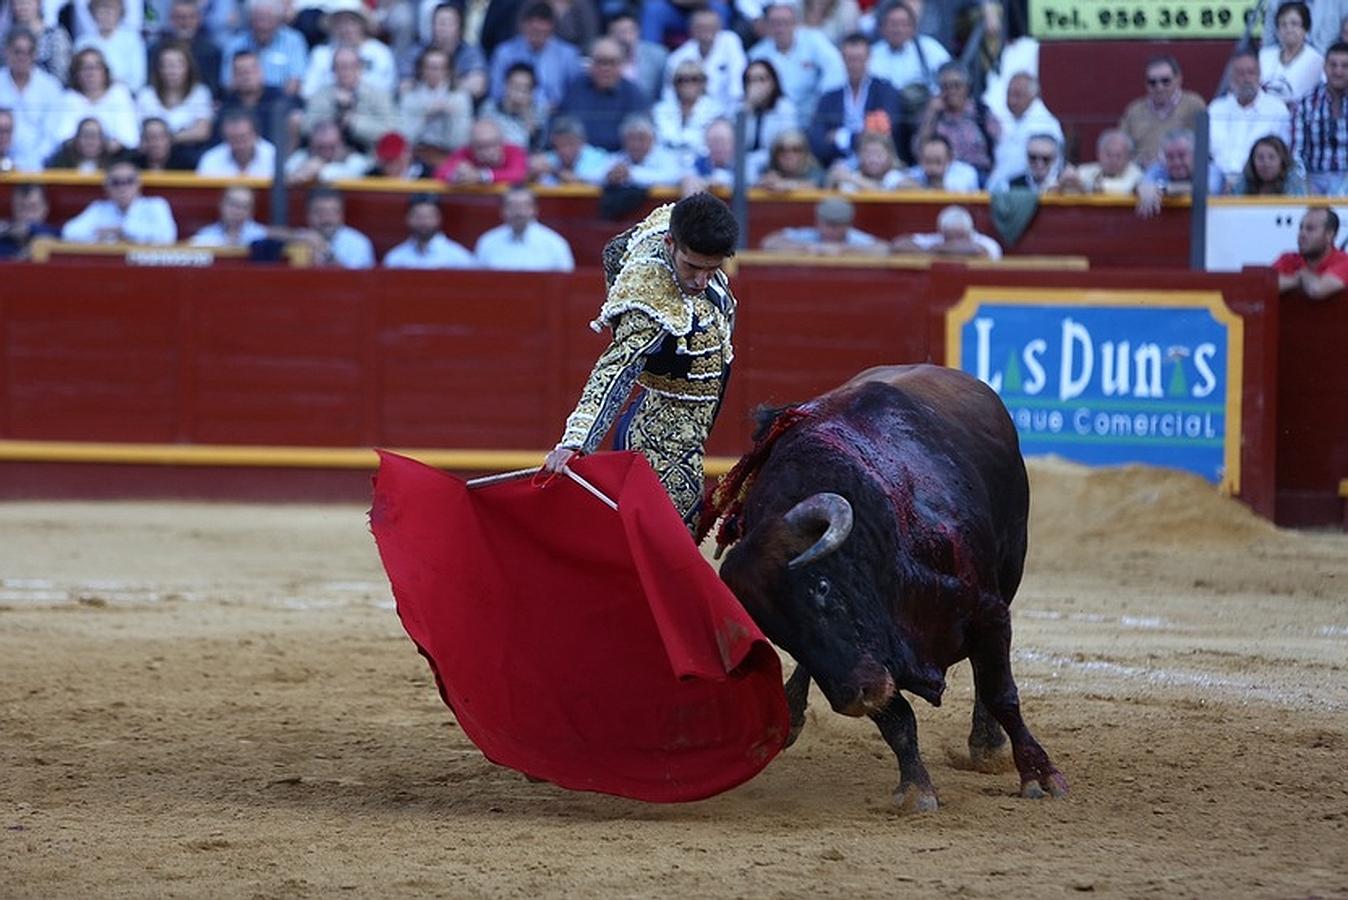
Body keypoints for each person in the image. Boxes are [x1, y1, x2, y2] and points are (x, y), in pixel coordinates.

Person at [541, 191, 740, 531]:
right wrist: (576, 442)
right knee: (670, 544)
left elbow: (618, 246)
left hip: (681, 428)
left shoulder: (679, 225)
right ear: (669, 243)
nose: (701, 281)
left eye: (713, 269)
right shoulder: (648, 301)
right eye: (691, 267)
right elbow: (614, 370)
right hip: (660, 438)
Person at [808, 31, 904, 168]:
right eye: (850, 59)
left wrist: (842, 137)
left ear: (869, 57)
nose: (855, 65)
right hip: (838, 164)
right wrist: (863, 133)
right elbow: (817, 141)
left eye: (859, 58)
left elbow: (885, 132)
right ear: (842, 59)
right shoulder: (829, 98)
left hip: (878, 165)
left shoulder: (885, 91)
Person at [747, 0, 844, 122]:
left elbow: (836, 68)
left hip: (813, 112)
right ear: (768, 26)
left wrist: (823, 98)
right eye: (775, 23)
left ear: (795, 24)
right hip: (775, 117)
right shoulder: (757, 54)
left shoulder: (814, 40)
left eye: (785, 23)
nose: (780, 28)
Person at [1209, 49, 1293, 190]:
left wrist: (1241, 182)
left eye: (1251, 72)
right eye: (1240, 73)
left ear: (1259, 75)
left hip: (1258, 178)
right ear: (1230, 78)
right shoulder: (1216, 109)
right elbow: (1207, 154)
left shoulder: (1277, 109)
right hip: (1220, 179)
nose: (1246, 79)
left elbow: (1282, 154)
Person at [555, 36, 650, 152]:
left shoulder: (633, 94)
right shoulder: (576, 87)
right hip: (577, 158)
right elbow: (560, 126)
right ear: (590, 64)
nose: (606, 68)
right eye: (600, 62)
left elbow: (640, 140)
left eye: (612, 63)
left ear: (621, 65)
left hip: (618, 160)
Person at [913, 60, 998, 184]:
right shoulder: (932, 114)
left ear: (967, 88)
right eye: (946, 86)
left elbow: (1000, 144)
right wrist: (931, 114)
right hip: (941, 173)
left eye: (957, 85)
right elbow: (918, 150)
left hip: (978, 173)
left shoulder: (981, 112)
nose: (951, 91)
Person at [304, 46, 399, 154]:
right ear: (333, 70)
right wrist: (337, 115)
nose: (346, 71)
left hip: (366, 155)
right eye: (340, 67)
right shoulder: (322, 94)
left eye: (351, 66)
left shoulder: (378, 95)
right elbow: (306, 127)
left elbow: (392, 132)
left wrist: (354, 123)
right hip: (325, 154)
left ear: (360, 68)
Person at [487, 1, 582, 111]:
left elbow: (576, 93)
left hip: (554, 116)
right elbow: (495, 92)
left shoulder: (568, 55)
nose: (538, 37)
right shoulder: (504, 53)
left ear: (552, 30)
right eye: (534, 31)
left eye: (544, 32)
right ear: (524, 26)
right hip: (513, 113)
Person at [1118, 55, 1206, 168]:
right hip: (1142, 174)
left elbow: (1204, 146)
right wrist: (1139, 161)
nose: (1159, 87)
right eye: (1152, 82)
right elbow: (1121, 148)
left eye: (1165, 81)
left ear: (1178, 79)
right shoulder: (1134, 110)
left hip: (1183, 173)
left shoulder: (1194, 105)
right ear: (1146, 84)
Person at [136, 40, 214, 166]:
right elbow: (140, 133)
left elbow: (202, 131)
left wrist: (164, 139)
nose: (172, 71)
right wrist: (180, 135)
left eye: (177, 65)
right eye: (166, 65)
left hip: (187, 156)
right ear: (158, 69)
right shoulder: (146, 95)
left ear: (188, 67)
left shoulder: (200, 92)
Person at [60, 161, 178, 244]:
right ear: (107, 188)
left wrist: (123, 230)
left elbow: (167, 236)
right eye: (116, 182)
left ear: (138, 184)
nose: (123, 187)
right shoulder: (99, 209)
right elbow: (69, 232)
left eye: (129, 181)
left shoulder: (155, 205)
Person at [301, 0, 397, 101]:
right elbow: (308, 91)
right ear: (333, 26)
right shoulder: (321, 54)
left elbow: (387, 88)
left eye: (352, 21)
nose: (346, 27)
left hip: (370, 111)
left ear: (361, 24)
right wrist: (335, 94)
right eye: (340, 22)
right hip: (328, 110)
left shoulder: (380, 53)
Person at [0, 26, 65, 171]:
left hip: (39, 165)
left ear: (35, 54)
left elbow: (52, 135)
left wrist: (31, 163)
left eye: (29, 52)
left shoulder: (50, 87)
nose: (23, 57)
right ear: (7, 52)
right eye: (17, 51)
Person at [662, 6, 744, 117]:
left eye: (710, 27)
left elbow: (737, 87)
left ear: (719, 28)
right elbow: (669, 95)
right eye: (700, 27)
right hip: (691, 114)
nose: (706, 31)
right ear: (691, 30)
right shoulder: (677, 58)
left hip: (727, 112)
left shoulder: (731, 42)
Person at [398, 3, 487, 104]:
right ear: (432, 26)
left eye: (449, 23)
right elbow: (404, 87)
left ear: (460, 26)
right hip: (421, 107)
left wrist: (439, 84)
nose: (444, 29)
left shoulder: (470, 52)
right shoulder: (416, 51)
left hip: (456, 108)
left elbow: (477, 87)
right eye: (441, 23)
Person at [987, 71, 1063, 190]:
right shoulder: (1018, 119)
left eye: (1017, 95)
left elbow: (1028, 167)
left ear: (1033, 96)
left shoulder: (1041, 122)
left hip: (1023, 193)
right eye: (1009, 94)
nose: (1011, 101)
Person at [215, 49, 302, 151]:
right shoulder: (227, 105)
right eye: (240, 72)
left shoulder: (279, 97)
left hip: (279, 158)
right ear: (233, 76)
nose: (246, 76)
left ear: (261, 71)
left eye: (251, 70)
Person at [473, 185, 575, 270]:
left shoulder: (555, 244)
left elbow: (566, 286)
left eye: (524, 206)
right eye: (512, 206)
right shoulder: (487, 242)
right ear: (502, 211)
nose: (519, 212)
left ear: (535, 210)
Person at [399, 46, 473, 164]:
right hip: (415, 155)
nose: (433, 72)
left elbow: (461, 142)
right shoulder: (410, 97)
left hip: (448, 155)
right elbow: (404, 138)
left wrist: (450, 116)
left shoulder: (460, 98)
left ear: (448, 70)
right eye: (429, 67)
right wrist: (425, 116)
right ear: (421, 69)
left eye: (439, 68)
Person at [57, 47, 139, 153]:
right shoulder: (69, 98)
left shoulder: (119, 93)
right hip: (76, 161)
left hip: (114, 158)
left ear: (105, 71)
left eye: (96, 67)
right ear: (76, 74)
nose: (90, 73)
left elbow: (130, 138)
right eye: (84, 68)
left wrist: (99, 147)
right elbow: (63, 138)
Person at [1291, 42, 1348, 194]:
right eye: (1333, 65)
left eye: (1344, 66)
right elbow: (1296, 153)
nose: (1338, 71)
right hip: (1313, 178)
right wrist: (1305, 184)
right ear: (1324, 68)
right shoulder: (1306, 104)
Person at [219, 0, 308, 96]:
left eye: (268, 19)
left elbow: (295, 81)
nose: (263, 25)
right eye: (259, 19)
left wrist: (279, 106)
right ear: (250, 19)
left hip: (281, 103)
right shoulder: (235, 44)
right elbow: (227, 83)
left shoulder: (293, 41)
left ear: (278, 20)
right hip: (244, 102)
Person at [1135, 129, 1225, 218]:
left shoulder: (1211, 170)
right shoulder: (1160, 168)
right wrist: (1144, 188)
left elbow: (1208, 189)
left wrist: (1162, 189)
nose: (1176, 162)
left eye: (1182, 156)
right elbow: (1144, 183)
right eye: (1170, 157)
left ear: (1195, 155)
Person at [760, 194, 886, 255]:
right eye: (829, 224)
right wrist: (806, 248)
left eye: (838, 225)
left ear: (848, 225)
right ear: (818, 222)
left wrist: (845, 250)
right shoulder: (809, 236)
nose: (833, 230)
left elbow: (884, 249)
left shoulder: (854, 238)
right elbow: (769, 243)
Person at [148, 0, 222, 99]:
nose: (185, 22)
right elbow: (151, 82)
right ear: (171, 19)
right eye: (180, 17)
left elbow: (213, 89)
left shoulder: (212, 52)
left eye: (191, 17)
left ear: (199, 19)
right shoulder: (156, 50)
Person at [652, 59, 717, 169]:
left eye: (694, 79)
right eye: (682, 80)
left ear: (703, 83)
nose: (688, 84)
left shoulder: (715, 111)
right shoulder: (660, 110)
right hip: (665, 167)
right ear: (674, 84)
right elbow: (657, 144)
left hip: (702, 168)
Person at [382, 193, 475, 268]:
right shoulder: (395, 258)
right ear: (408, 219)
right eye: (418, 217)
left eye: (429, 217)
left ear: (439, 218)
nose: (424, 222)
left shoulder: (459, 258)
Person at [1274, 206, 1348, 299]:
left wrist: (1300, 276)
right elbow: (1263, 287)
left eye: (1310, 229)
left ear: (1330, 235)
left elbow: (1317, 290)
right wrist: (1298, 279)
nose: (1302, 234)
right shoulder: (1288, 259)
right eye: (1301, 228)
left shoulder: (1344, 262)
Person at [1261, 2, 1326, 105]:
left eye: (1294, 24)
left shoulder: (1317, 60)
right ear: (1277, 30)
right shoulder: (1264, 56)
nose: (1288, 29)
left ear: (1305, 29)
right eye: (1283, 24)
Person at [74, 0, 146, 92]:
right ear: (93, 13)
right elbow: (77, 77)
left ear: (120, 12)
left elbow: (138, 81)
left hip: (123, 95)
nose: (106, 15)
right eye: (101, 10)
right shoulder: (82, 42)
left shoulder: (132, 40)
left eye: (111, 10)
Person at [434, 117, 528, 184]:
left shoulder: (514, 151)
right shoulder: (464, 152)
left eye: (492, 144)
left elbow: (518, 174)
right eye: (481, 146)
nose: (488, 151)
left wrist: (481, 176)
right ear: (472, 146)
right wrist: (457, 176)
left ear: (501, 143)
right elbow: (440, 173)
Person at [479, 61, 548, 153]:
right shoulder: (489, 108)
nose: (519, 93)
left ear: (532, 91)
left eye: (524, 88)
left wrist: (530, 124)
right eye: (515, 86)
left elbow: (540, 148)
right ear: (505, 85)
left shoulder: (539, 114)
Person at [740, 58, 798, 166]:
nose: (756, 85)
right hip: (744, 165)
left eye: (761, 79)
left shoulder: (785, 108)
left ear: (773, 82)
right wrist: (747, 109)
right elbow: (737, 146)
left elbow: (785, 143)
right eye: (751, 80)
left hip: (776, 165)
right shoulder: (740, 108)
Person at [601, 112, 683, 187]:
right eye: (631, 139)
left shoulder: (666, 157)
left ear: (652, 140)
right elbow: (593, 174)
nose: (636, 144)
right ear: (623, 141)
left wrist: (631, 174)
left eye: (641, 139)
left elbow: (673, 176)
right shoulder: (618, 158)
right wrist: (608, 175)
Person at [892, 204, 1002, 258]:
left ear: (969, 232)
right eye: (950, 237)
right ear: (942, 233)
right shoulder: (937, 240)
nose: (954, 242)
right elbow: (898, 244)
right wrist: (928, 252)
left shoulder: (986, 242)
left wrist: (938, 250)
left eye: (959, 237)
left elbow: (978, 251)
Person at [1057, 128, 1144, 195]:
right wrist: (1065, 181)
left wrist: (1085, 186)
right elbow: (1064, 184)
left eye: (1118, 156)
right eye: (1108, 154)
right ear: (1099, 154)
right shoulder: (1089, 170)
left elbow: (1125, 188)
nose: (1113, 160)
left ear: (1128, 157)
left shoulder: (1136, 173)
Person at [304, 186, 374, 267]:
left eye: (332, 212)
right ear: (308, 215)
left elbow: (356, 278)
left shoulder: (358, 243)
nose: (326, 218)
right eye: (319, 212)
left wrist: (326, 254)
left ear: (341, 215)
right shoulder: (299, 239)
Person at [607, 8, 667, 102]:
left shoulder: (657, 56)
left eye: (630, 31)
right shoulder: (602, 59)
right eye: (621, 32)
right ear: (611, 35)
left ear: (638, 32)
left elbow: (662, 93)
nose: (626, 38)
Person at [527, 113, 608, 183]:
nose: (565, 150)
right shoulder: (550, 158)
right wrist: (534, 174)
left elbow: (580, 180)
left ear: (582, 142)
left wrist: (555, 172)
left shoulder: (598, 158)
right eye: (560, 145)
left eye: (570, 144)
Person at [6, 0, 71, 87]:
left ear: (38, 4)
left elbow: (62, 74)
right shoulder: (6, 37)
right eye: (18, 3)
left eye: (27, 2)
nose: (23, 7)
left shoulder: (56, 35)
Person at [285, 119, 371, 183]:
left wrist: (317, 170)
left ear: (341, 143)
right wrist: (303, 170)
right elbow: (287, 174)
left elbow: (351, 175)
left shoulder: (356, 160)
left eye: (330, 147)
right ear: (311, 144)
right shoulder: (300, 157)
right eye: (321, 147)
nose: (325, 152)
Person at [197, 110, 277, 176]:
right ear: (225, 138)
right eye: (233, 139)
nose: (240, 145)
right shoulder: (211, 159)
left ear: (256, 135)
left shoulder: (273, 156)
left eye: (243, 138)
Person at [190, 185, 270, 247]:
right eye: (233, 205)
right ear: (221, 205)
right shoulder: (205, 237)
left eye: (244, 207)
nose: (238, 212)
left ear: (252, 211)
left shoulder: (261, 237)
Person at [897, 133, 978, 191]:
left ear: (950, 159)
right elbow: (896, 182)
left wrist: (923, 188)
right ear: (920, 159)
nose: (933, 167)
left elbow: (958, 191)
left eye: (938, 162)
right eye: (928, 161)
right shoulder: (915, 173)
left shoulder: (966, 173)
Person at [827, 129, 903, 191]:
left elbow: (882, 191)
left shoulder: (896, 176)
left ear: (890, 156)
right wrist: (834, 181)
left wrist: (850, 178)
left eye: (878, 155)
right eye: (868, 155)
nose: (873, 160)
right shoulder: (854, 176)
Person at [753, 126, 825, 190]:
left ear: (805, 154)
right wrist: (763, 183)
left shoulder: (815, 170)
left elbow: (815, 185)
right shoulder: (768, 169)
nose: (788, 155)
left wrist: (786, 185)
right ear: (774, 154)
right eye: (782, 150)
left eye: (796, 150)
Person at [0, 182, 58, 258]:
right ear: (13, 208)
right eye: (21, 208)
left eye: (33, 208)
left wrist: (31, 229)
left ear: (45, 208)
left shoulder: (57, 235)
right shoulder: (3, 238)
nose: (27, 215)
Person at [1235, 135, 1307, 195]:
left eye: (1272, 157)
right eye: (1260, 158)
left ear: (1283, 161)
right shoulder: (1243, 186)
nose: (1266, 163)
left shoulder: (1294, 186)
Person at [44, 115, 114, 169]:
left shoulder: (113, 161)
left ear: (103, 140)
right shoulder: (63, 160)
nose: (90, 142)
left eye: (94, 136)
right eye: (85, 136)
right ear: (77, 140)